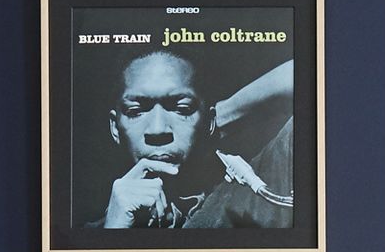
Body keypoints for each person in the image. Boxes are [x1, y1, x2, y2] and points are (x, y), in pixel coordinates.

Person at [94, 48, 295, 235]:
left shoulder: (253, 195)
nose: (158, 130)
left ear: (208, 121)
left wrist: (221, 117)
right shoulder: (97, 231)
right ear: (115, 128)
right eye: (136, 112)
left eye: (182, 109)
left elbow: (304, 75)